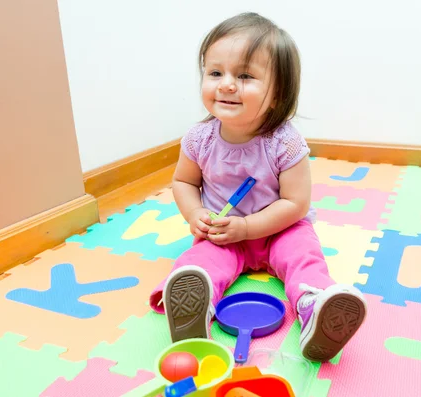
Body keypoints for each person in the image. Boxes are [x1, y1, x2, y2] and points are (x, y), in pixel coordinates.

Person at [149, 12, 367, 362]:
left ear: (278, 94)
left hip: (281, 229)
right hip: (223, 234)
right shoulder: (198, 139)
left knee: (303, 257)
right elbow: (183, 181)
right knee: (200, 259)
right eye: (215, 72)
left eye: (245, 76)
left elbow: (295, 203)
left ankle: (314, 304)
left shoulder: (285, 144)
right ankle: (195, 303)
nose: (226, 84)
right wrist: (196, 214)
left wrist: (248, 227)